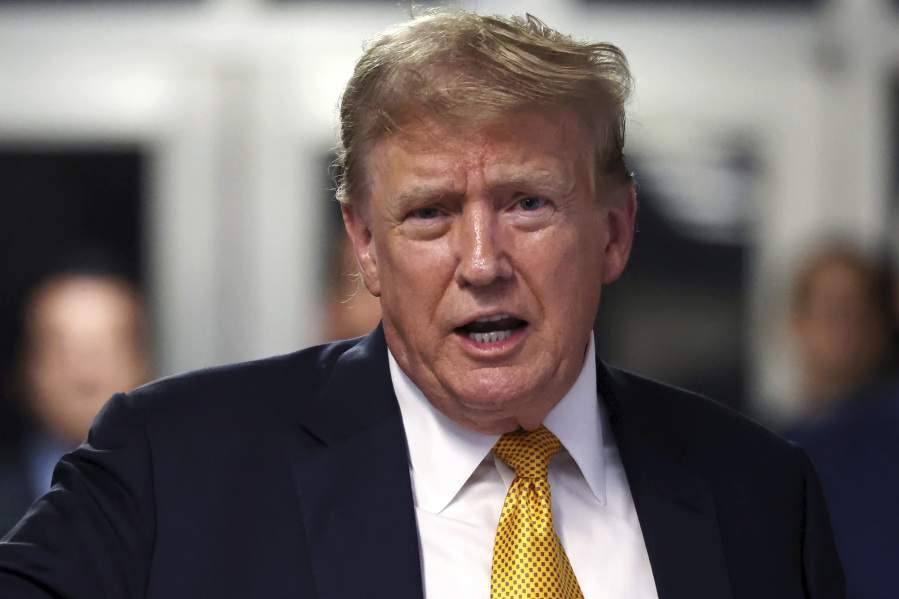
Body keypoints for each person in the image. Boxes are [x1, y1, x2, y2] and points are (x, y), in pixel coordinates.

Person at [0, 9, 843, 598]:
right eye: (430, 212)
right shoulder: (174, 465)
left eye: (527, 204)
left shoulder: (761, 492)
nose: (481, 262)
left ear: (615, 230)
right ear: (365, 242)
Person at [784, 244, 899, 599]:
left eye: (858, 312)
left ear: (880, 327)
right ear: (797, 323)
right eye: (832, 311)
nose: (845, 329)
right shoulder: (773, 449)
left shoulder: (888, 439)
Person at [0, 266, 149, 536]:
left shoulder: (194, 495)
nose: (85, 376)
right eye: (62, 352)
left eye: (105, 351)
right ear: (24, 369)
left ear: (144, 365)